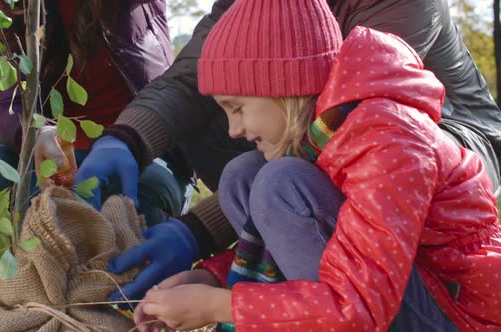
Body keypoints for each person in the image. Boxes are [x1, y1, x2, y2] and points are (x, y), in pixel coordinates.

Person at [97, 0, 501, 303]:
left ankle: (336, 295)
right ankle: (300, 281)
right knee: (249, 169)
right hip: (336, 135)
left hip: (447, 137)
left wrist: (214, 273)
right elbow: (196, 72)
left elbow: (345, 130)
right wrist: (126, 137)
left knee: (280, 177)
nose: (235, 127)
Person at [0, 0, 192, 226]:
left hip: (145, 149)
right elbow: (7, 98)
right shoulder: (11, 6)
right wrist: (35, 133)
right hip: (61, 153)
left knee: (127, 198)